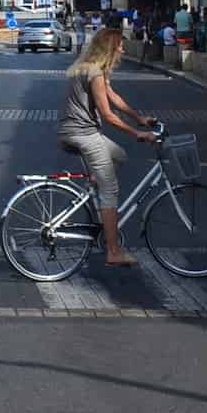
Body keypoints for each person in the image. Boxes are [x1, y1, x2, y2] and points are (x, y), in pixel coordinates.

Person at [57, 28, 157, 269]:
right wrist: (137, 133)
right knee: (110, 191)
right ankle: (113, 251)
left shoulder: (93, 68)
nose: (123, 49)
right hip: (83, 134)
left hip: (78, 132)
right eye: (120, 45)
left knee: (119, 155)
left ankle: (95, 183)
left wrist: (138, 118)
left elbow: (114, 97)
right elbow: (107, 115)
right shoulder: (94, 73)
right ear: (110, 48)